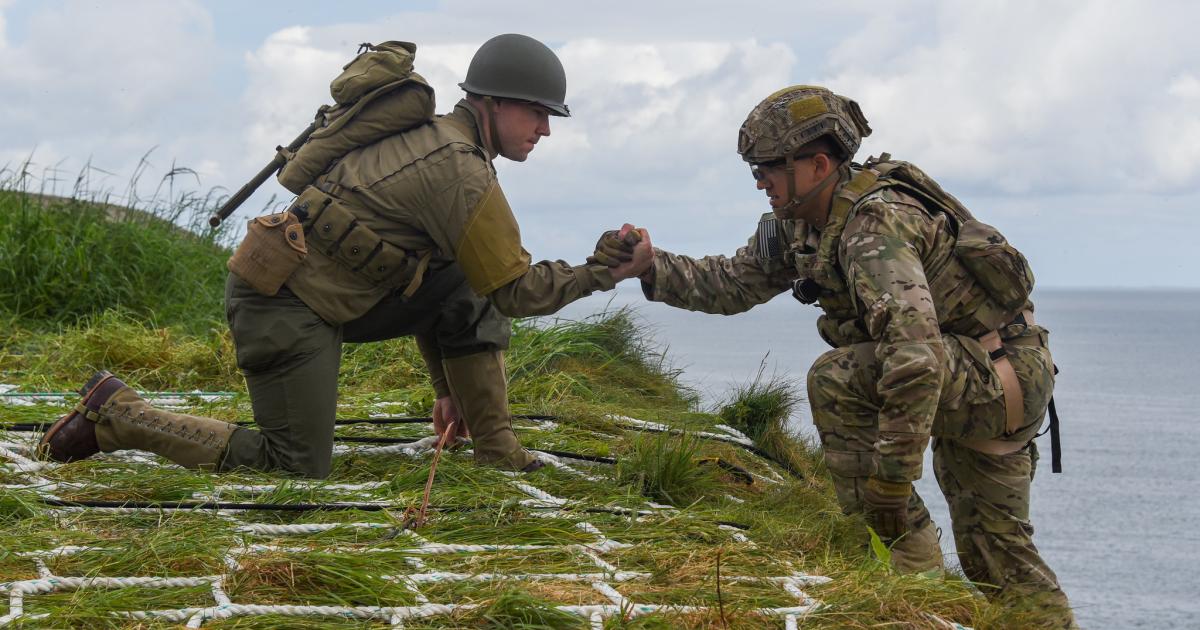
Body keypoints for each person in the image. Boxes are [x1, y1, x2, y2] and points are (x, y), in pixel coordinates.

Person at [39, 34, 653, 478]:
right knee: (294, 464)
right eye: (537, 112)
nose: (545, 129)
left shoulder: (448, 145)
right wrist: (603, 272)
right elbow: (517, 292)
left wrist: (450, 389)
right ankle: (120, 415)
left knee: (470, 279)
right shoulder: (458, 169)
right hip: (283, 306)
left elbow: (453, 283)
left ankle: (496, 447)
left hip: (341, 299)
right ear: (492, 103)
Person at [600, 85, 1074, 625]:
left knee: (837, 378)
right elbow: (734, 283)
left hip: (994, 379)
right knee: (1000, 558)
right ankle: (922, 592)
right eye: (755, 169)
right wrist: (650, 265)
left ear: (818, 165)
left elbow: (914, 359)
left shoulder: (874, 228)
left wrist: (889, 486)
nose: (759, 181)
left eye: (768, 168)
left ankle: (903, 571)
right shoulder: (800, 223)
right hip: (983, 374)